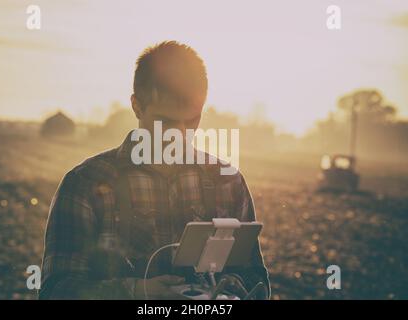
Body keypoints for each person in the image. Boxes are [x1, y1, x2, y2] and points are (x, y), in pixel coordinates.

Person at [39, 40, 270, 299]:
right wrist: (139, 292)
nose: (180, 134)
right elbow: (56, 292)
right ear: (137, 106)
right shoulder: (85, 185)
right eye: (166, 121)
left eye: (192, 119)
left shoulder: (227, 181)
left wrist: (233, 286)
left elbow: (255, 277)